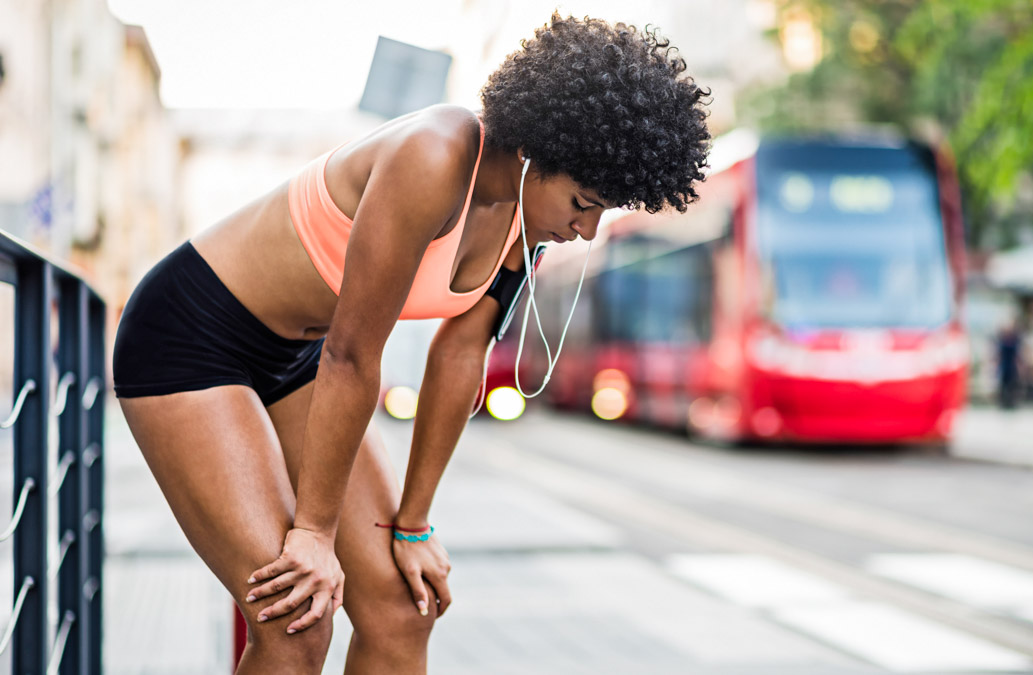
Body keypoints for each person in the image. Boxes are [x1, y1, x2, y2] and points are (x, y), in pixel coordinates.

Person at [111, 14, 710, 673]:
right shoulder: (433, 155)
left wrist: (414, 524)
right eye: (583, 201)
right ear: (538, 152)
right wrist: (314, 533)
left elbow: (458, 356)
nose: (588, 230)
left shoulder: (525, 219)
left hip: (295, 356)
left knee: (405, 605)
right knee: (296, 618)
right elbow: (351, 353)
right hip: (193, 335)